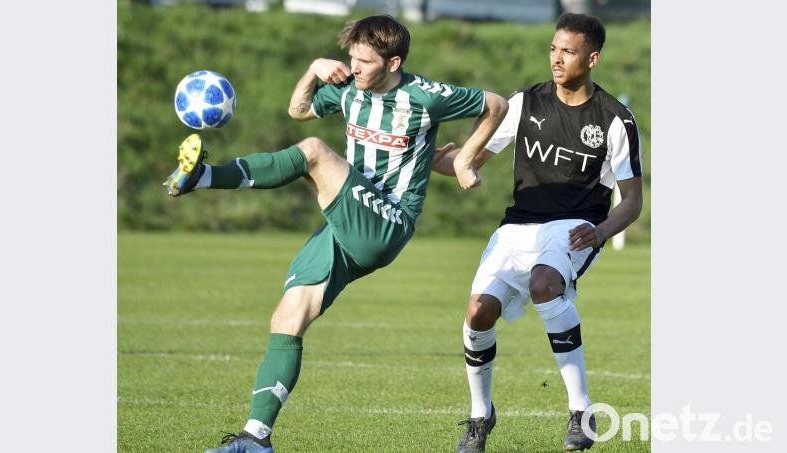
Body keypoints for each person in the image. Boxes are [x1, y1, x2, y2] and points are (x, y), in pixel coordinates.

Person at [163, 15, 508, 453]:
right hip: (344, 224)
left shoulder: (424, 96)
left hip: (388, 221)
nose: (355, 67)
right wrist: (313, 69)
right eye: (351, 58)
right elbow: (299, 110)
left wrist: (465, 159)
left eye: (364, 61)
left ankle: (205, 177)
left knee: (313, 152)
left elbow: (496, 104)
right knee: (288, 318)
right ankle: (256, 438)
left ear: (394, 61)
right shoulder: (349, 88)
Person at [432, 12, 644, 453]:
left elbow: (632, 201)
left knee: (546, 284)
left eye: (568, 51)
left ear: (593, 58)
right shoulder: (524, 103)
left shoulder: (614, 119)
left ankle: (581, 411)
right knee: (477, 312)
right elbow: (468, 161)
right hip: (517, 226)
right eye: (553, 48)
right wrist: (426, 156)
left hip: (574, 227)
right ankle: (479, 416)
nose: (557, 58)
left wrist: (601, 231)